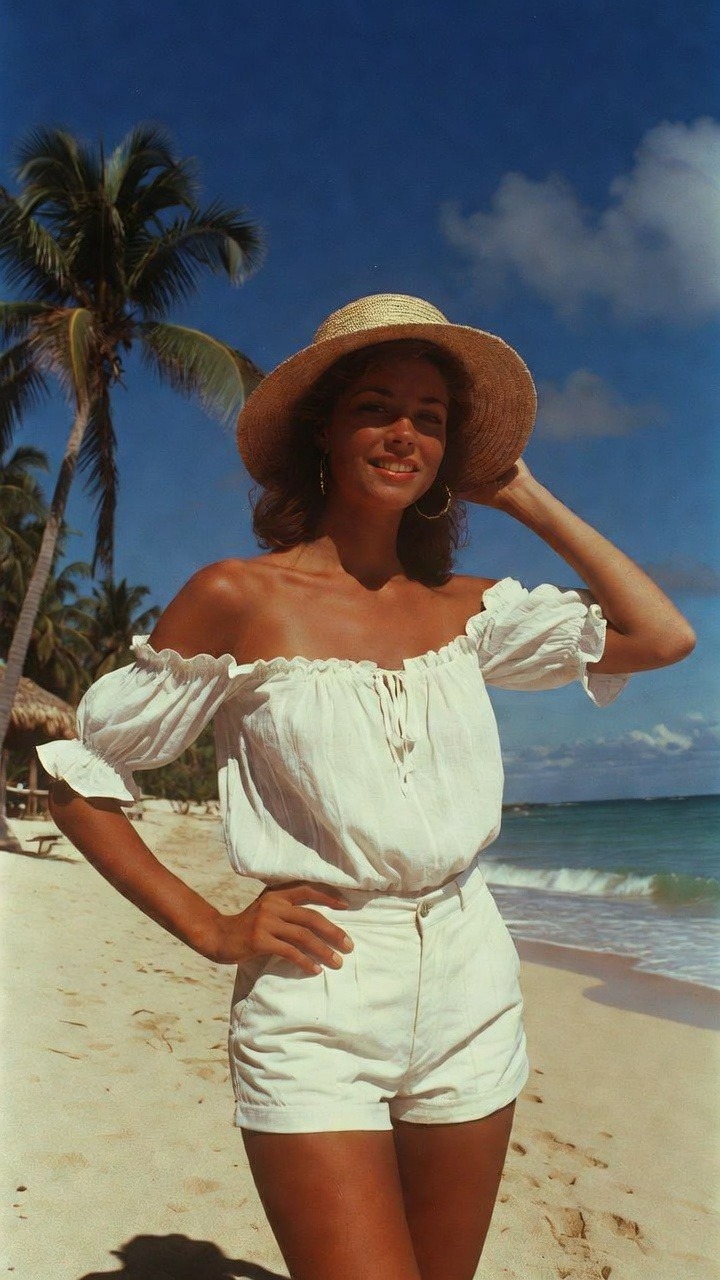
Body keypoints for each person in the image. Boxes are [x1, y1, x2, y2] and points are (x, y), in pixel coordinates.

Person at [39, 294, 695, 1280]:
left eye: (431, 418)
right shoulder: (237, 596)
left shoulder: (469, 611)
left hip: (472, 974)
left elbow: (661, 635)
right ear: (324, 430)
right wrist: (211, 926)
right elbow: (81, 778)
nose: (404, 433)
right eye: (377, 407)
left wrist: (520, 493)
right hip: (318, 989)